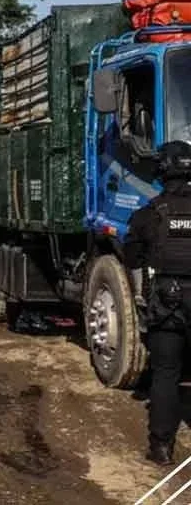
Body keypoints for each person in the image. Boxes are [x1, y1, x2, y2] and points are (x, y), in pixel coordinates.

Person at [124, 139, 191, 466]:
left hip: (168, 301)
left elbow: (132, 257)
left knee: (165, 373)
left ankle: (161, 448)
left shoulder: (148, 215)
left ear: (161, 171)